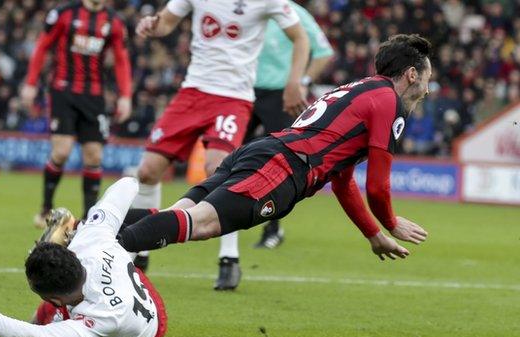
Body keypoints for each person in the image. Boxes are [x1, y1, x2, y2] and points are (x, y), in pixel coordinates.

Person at [116, 34, 431, 261]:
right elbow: (377, 186)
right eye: (427, 76)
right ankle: (93, 248)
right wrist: (390, 222)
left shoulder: (362, 90)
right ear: (412, 74)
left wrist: (373, 234)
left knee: (180, 214)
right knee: (201, 224)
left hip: (264, 151)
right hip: (282, 168)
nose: (428, 88)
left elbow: (343, 180)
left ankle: (91, 224)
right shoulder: (388, 101)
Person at [129, 0, 310, 282]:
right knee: (147, 171)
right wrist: (152, 25)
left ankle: (229, 257)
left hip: (233, 98)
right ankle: (140, 251)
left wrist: (294, 82)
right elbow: (165, 21)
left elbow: (300, 38)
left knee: (217, 169)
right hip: (192, 92)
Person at [0, 178, 167, 337]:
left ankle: (74, 228)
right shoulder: (92, 240)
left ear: (55, 301)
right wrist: (93, 221)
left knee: (53, 323)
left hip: (150, 327)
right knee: (96, 232)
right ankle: (75, 227)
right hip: (128, 280)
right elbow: (127, 184)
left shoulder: (98, 318)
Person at [215, 1, 335, 290]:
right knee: (227, 161)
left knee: (282, 165)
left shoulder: (291, 11)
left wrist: (302, 80)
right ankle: (229, 240)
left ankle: (273, 227)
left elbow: (324, 52)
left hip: (280, 94)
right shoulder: (241, 7)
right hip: (241, 90)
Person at [21, 0, 132, 226]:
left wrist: (125, 95)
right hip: (63, 90)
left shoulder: (114, 22)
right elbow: (42, 46)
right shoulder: (63, 14)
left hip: (94, 96)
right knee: (61, 152)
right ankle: (45, 210)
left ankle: (88, 219)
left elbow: (121, 60)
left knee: (94, 156)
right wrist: (31, 83)